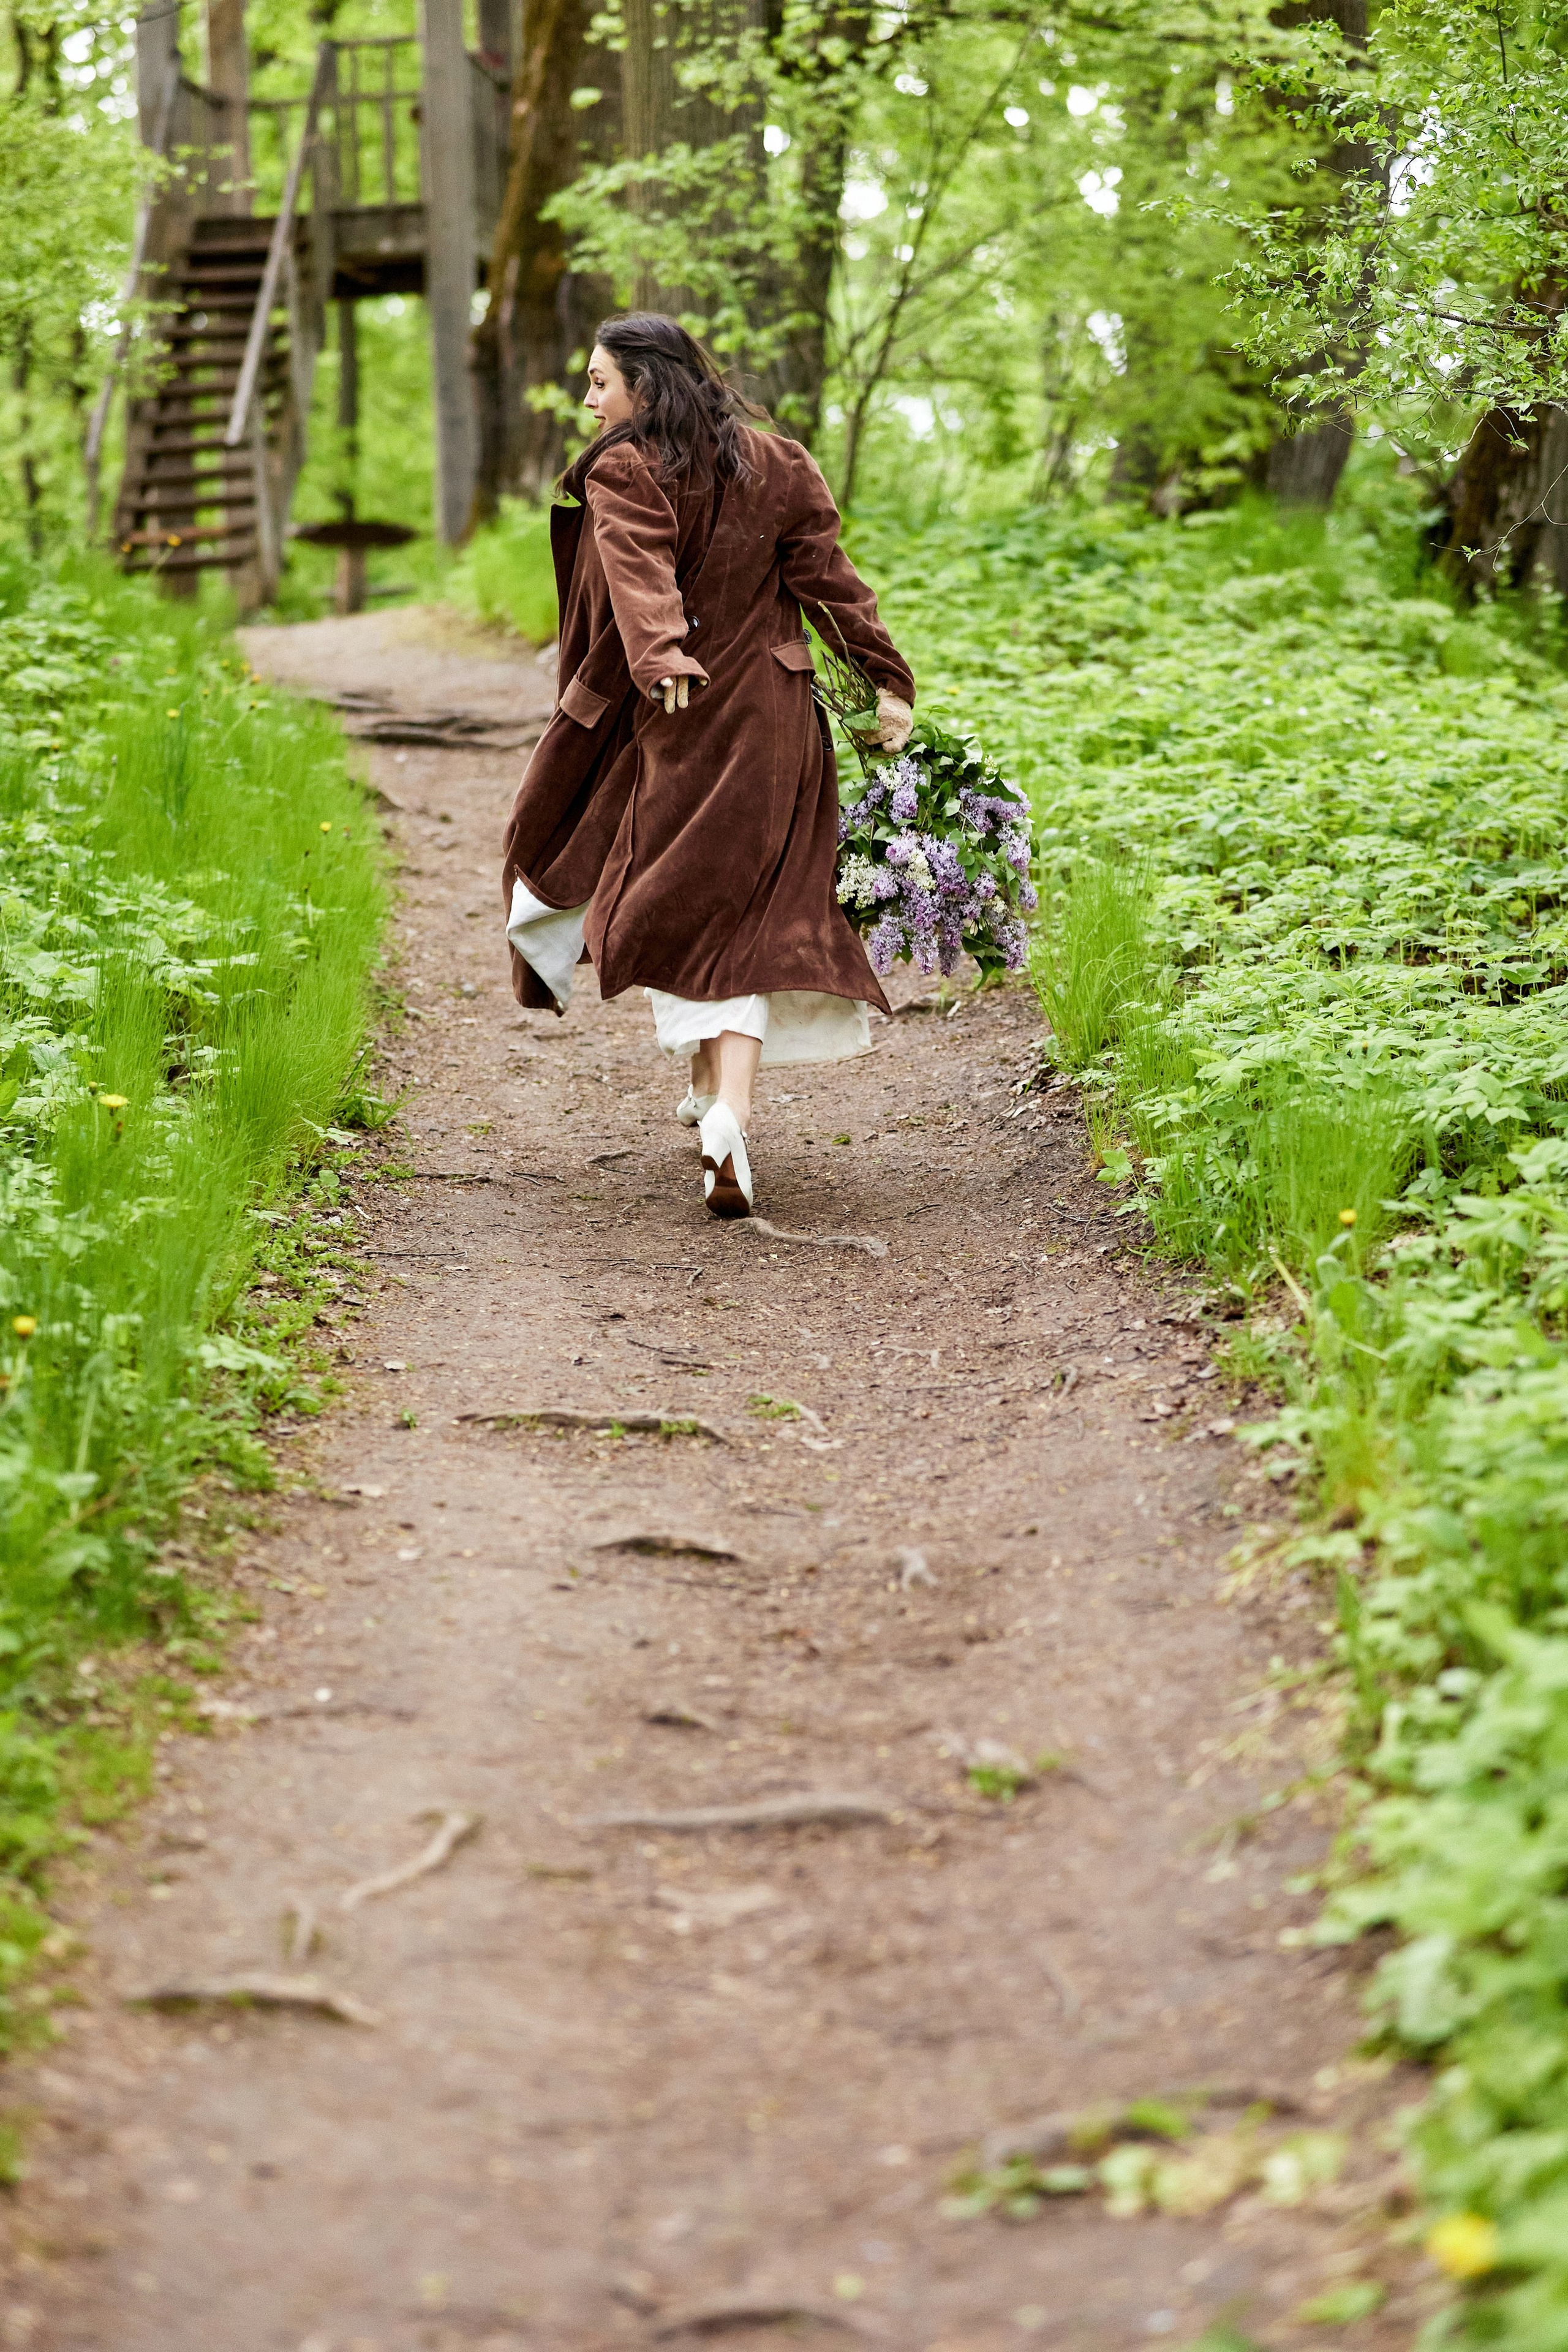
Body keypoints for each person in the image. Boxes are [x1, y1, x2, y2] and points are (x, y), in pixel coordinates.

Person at [500, 314, 915, 1218]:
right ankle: (714, 1102)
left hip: (685, 719)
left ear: (645, 386)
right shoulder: (781, 462)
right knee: (747, 912)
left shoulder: (625, 467)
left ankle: (725, 1108)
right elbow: (832, 584)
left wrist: (661, 657)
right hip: (779, 720)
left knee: (685, 907)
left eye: (600, 381)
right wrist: (885, 681)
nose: (587, 398)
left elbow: (639, 569)